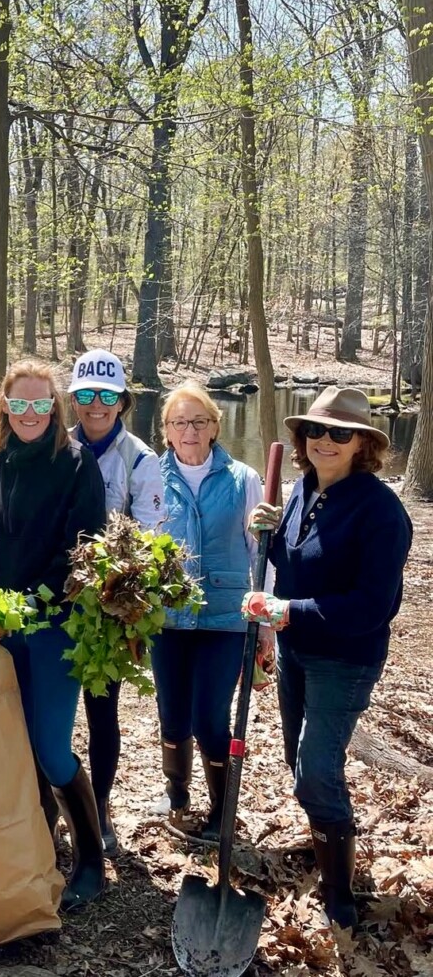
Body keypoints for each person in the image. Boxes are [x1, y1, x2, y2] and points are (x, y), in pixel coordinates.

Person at [242, 386, 412, 929]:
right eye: (316, 430)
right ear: (302, 437)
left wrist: (286, 609)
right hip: (296, 652)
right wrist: (264, 536)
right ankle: (323, 834)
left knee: (315, 770)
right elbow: (293, 564)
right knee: (300, 762)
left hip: (345, 659)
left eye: (340, 432)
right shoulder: (301, 492)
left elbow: (371, 607)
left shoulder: (381, 511)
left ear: (363, 443)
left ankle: (339, 890)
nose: (326, 440)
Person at [0, 359, 107, 911]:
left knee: (51, 746)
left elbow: (84, 546)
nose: (30, 413)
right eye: (19, 404)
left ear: (54, 407)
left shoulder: (76, 464)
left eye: (41, 403)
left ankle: (92, 858)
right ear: (5, 407)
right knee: (18, 745)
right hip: (1, 629)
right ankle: (38, 846)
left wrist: (35, 599)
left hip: (54, 626)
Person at [152, 380, 263, 841]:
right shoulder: (150, 477)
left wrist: (266, 620)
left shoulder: (243, 479)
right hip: (170, 619)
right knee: (172, 713)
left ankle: (222, 808)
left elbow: (262, 553)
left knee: (209, 717)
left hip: (225, 617)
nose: (189, 431)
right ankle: (177, 792)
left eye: (198, 421)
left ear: (215, 425)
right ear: (167, 431)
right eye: (179, 422)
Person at [67, 348, 164, 857]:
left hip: (107, 604)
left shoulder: (141, 460)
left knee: (102, 711)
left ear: (122, 401)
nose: (96, 404)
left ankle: (100, 806)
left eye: (106, 395)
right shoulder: (56, 447)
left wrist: (126, 603)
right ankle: (48, 803)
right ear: (74, 400)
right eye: (85, 394)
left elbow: (150, 539)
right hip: (56, 599)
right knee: (45, 711)